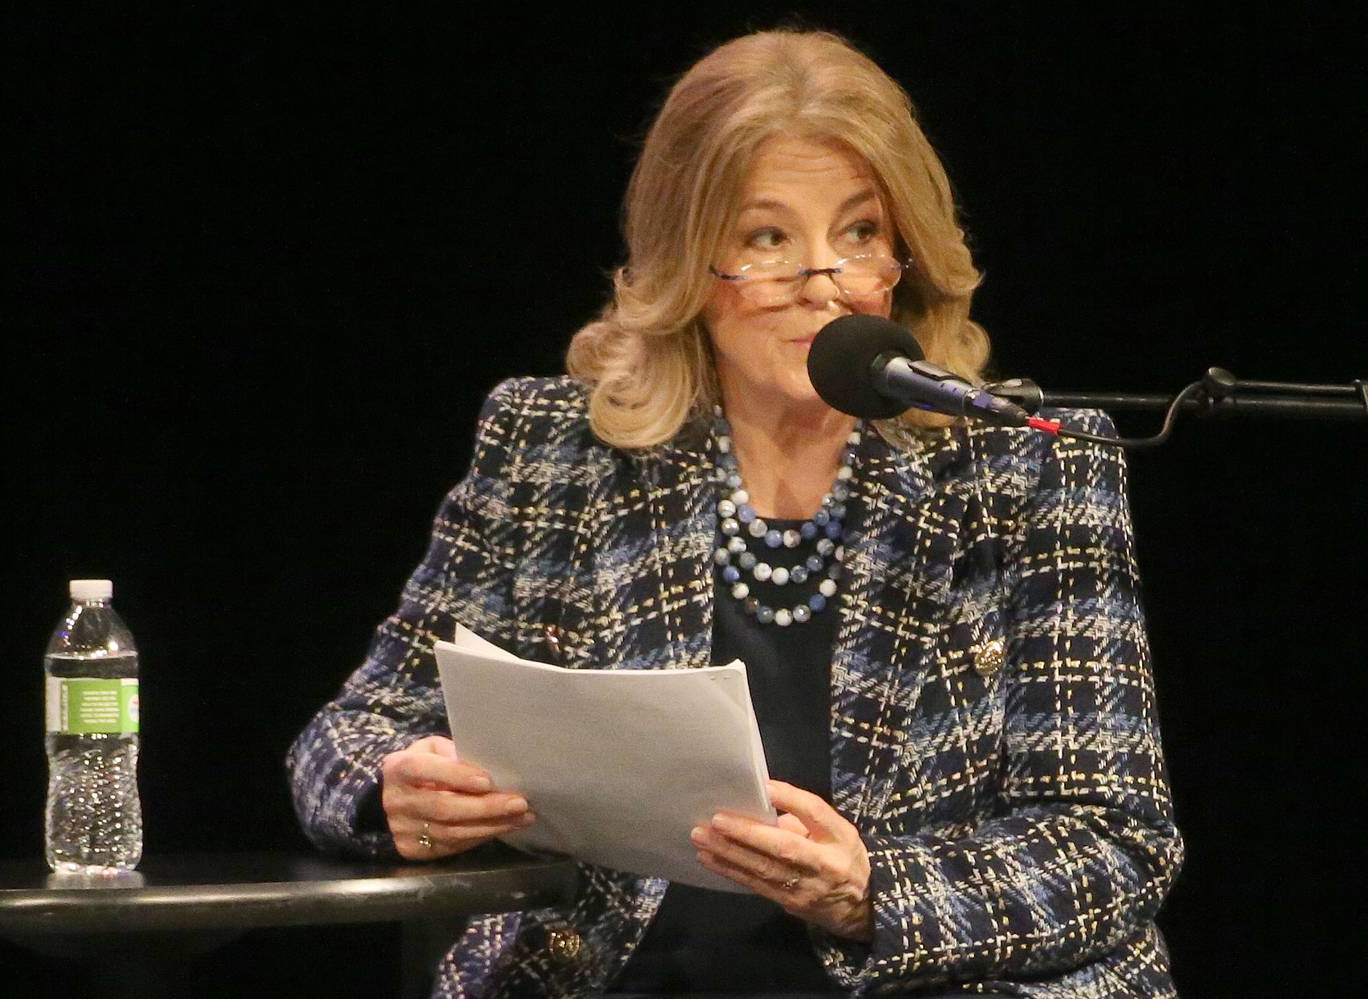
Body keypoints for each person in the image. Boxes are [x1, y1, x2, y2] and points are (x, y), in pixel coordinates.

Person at [288, 29, 1182, 998]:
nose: (823, 284)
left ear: (906, 257)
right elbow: (344, 736)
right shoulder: (554, 449)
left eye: (859, 235)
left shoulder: (1023, 466)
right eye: (767, 239)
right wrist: (398, 790)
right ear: (685, 259)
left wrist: (876, 893)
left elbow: (1113, 842)